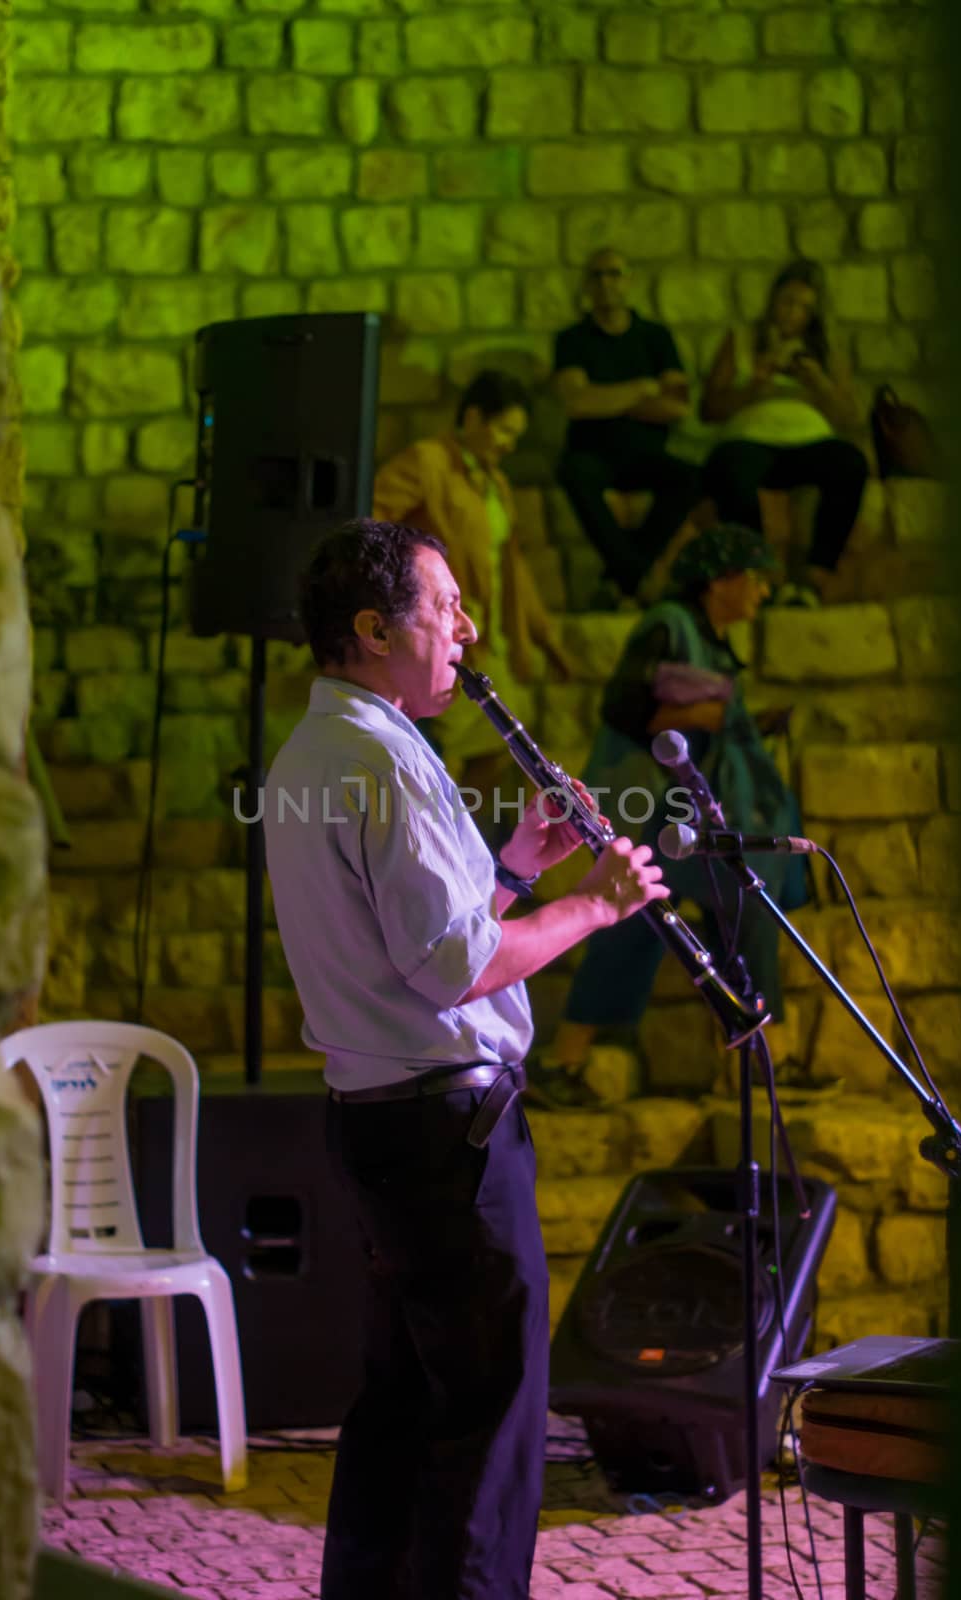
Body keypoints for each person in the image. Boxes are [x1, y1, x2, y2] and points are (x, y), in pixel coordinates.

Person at [262, 519, 669, 1600]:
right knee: (489, 1421)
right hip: (445, 1133)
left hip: (388, 1119)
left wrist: (517, 864)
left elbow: (420, 951)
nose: (465, 628)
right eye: (443, 608)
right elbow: (453, 970)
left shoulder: (323, 750)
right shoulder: (379, 760)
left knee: (402, 1402)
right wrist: (595, 902)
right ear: (371, 628)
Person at [528, 523, 804, 1109]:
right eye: (753, 580)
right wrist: (699, 715)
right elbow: (624, 705)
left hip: (677, 808)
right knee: (708, 910)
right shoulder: (669, 624)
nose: (760, 594)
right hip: (653, 804)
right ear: (720, 580)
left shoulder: (706, 634)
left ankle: (568, 1060)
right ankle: (757, 1064)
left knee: (657, 923)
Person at [372, 369, 571, 802]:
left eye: (515, 435)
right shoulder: (427, 463)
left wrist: (545, 640)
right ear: (475, 417)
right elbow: (372, 529)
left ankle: (473, 857)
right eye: (503, 430)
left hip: (487, 639)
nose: (508, 443)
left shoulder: (495, 483)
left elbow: (510, 566)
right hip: (440, 639)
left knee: (498, 752)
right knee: (434, 751)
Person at [700, 258, 868, 608]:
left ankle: (814, 578)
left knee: (850, 464)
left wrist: (818, 382)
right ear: (773, 300)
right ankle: (758, 575)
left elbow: (850, 418)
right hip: (751, 440)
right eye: (788, 301)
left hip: (809, 443)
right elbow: (709, 409)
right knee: (729, 469)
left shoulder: (824, 349)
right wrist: (754, 386)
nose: (793, 313)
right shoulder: (742, 339)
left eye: (804, 307)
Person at [553, 246, 704, 603]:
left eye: (614, 273)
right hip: (592, 453)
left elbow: (677, 406)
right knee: (573, 472)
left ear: (630, 281)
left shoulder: (655, 337)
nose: (606, 282)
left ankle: (624, 575)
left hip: (645, 454)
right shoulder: (572, 340)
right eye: (597, 275)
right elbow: (577, 403)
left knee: (690, 477)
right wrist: (641, 389)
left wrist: (604, 399)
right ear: (587, 285)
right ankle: (637, 577)